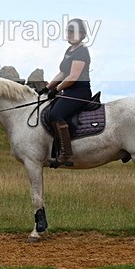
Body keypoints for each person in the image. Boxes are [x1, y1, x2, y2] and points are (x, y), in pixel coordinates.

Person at [40, 18, 92, 166]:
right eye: (68, 31)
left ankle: (66, 153)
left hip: (80, 91)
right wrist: (48, 87)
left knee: (55, 114)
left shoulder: (82, 51)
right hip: (69, 90)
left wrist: (57, 89)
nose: (69, 34)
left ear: (82, 34)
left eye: (72, 32)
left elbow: (73, 77)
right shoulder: (69, 51)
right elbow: (63, 73)